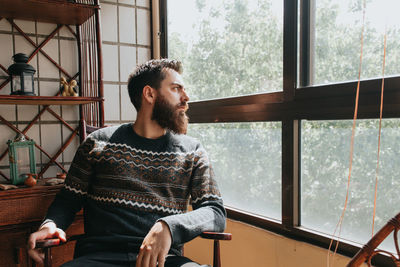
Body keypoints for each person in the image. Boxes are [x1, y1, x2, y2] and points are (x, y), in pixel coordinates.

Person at [27, 59, 226, 267]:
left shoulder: (192, 151)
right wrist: (50, 224)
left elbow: (215, 212)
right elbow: (68, 201)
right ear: (149, 94)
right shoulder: (97, 143)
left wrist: (169, 226)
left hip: (164, 261)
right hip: (98, 258)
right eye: (176, 89)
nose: (186, 98)